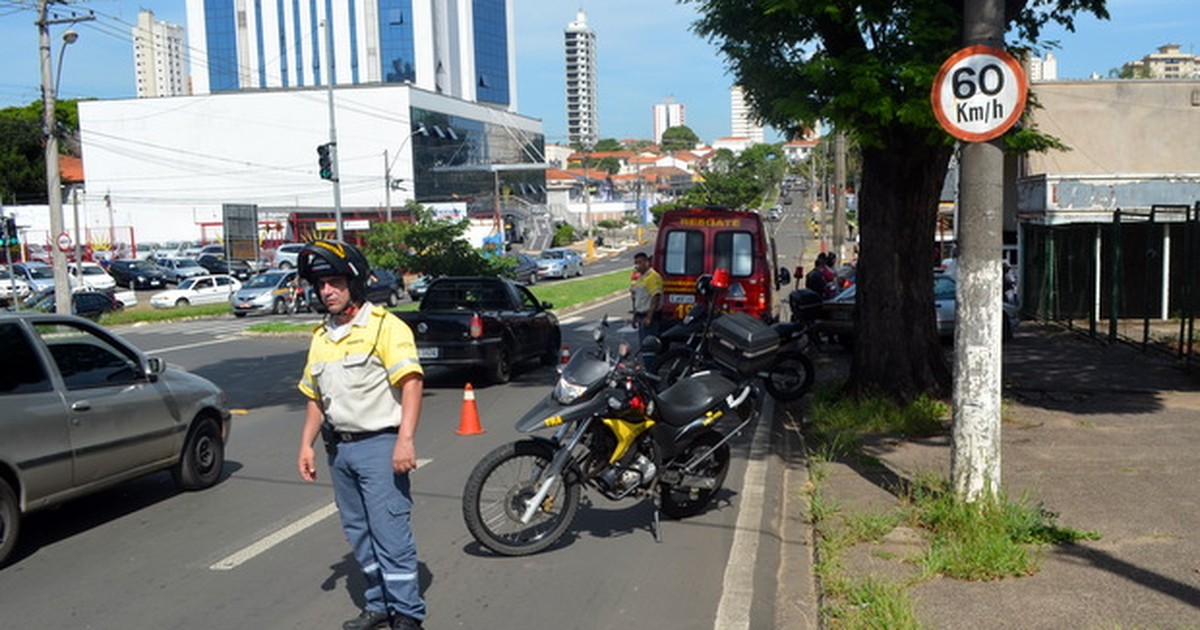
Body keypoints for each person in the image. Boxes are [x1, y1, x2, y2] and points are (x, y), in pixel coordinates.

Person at [295, 240, 427, 630]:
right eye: (321, 285)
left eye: (334, 282)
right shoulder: (321, 336)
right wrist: (305, 443)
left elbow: (412, 383)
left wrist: (406, 439)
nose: (327, 291)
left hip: (380, 446)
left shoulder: (385, 327)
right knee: (359, 533)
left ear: (353, 282)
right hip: (341, 451)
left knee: (390, 531)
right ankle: (379, 603)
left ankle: (407, 613)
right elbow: (314, 397)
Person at [629, 251, 662, 341]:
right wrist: (634, 316)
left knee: (649, 345)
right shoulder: (640, 278)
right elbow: (636, 299)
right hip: (640, 316)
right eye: (636, 263)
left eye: (640, 262)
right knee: (643, 344)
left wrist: (649, 317)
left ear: (647, 262)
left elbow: (655, 297)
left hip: (649, 317)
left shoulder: (652, 277)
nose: (637, 266)